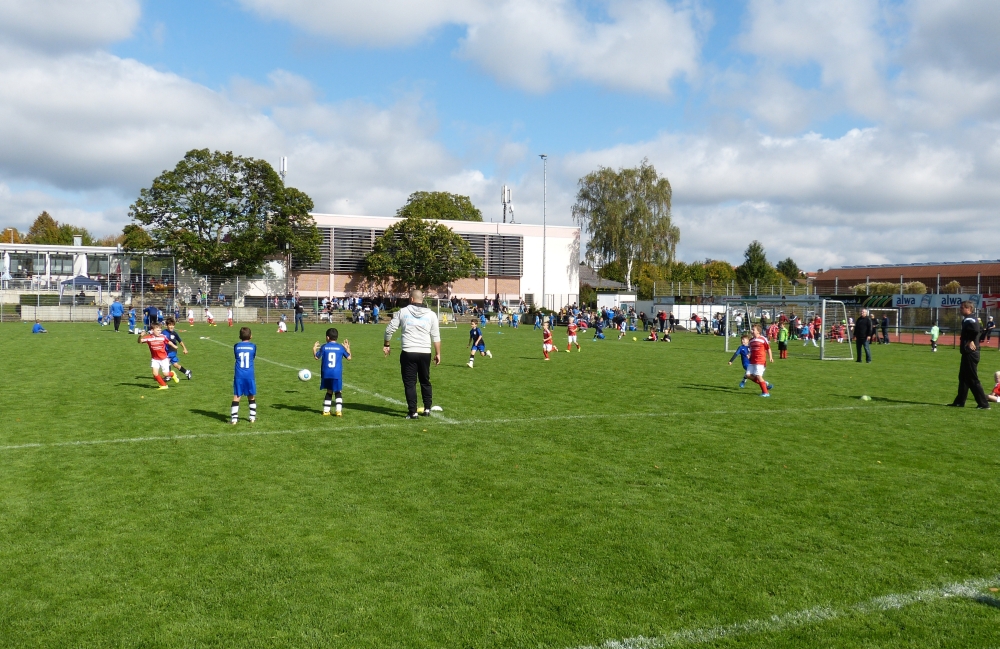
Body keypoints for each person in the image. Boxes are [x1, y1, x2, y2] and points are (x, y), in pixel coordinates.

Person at [383, 289, 441, 419]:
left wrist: (386, 344)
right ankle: (427, 408)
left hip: (409, 352)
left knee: (410, 383)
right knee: (425, 381)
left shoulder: (402, 312)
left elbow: (389, 329)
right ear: (422, 299)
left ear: (411, 299)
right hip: (425, 352)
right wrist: (438, 353)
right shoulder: (431, 314)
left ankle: (413, 412)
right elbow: (436, 336)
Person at [948, 301, 990, 409]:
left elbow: (976, 329)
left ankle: (984, 404)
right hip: (968, 353)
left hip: (971, 353)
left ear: (968, 308)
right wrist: (976, 339)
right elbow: (981, 329)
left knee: (972, 379)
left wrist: (971, 340)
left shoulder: (970, 319)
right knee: (963, 378)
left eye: (962, 308)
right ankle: (959, 402)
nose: (960, 309)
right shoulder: (971, 319)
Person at [313, 328, 351, 416]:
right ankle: (338, 411)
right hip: (336, 374)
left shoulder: (324, 347)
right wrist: (347, 348)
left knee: (329, 391)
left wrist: (314, 349)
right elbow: (349, 358)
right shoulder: (340, 348)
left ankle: (326, 411)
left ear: (327, 337)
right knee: (338, 391)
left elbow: (316, 357)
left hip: (326, 373)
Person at [138, 324, 177, 390]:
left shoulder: (163, 337)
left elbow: (168, 342)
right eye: (158, 330)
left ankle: (172, 374)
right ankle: (164, 385)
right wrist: (140, 336)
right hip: (155, 359)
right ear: (152, 330)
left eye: (160, 330)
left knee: (166, 374)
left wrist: (174, 346)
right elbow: (139, 341)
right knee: (155, 373)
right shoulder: (149, 338)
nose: (159, 331)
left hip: (163, 358)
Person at [232, 327, 257, 424]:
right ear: (251, 336)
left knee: (237, 395)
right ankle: (252, 417)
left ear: (239, 336)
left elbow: (236, 356)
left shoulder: (236, 346)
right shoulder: (253, 346)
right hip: (249, 374)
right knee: (251, 395)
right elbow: (253, 357)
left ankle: (234, 419)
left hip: (239, 374)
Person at [747, 324, 774, 397]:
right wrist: (749, 354)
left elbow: (768, 348)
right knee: (748, 375)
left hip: (760, 360)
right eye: (752, 329)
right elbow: (750, 350)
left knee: (758, 376)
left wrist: (770, 357)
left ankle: (765, 392)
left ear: (758, 331)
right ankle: (764, 383)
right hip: (752, 361)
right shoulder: (751, 340)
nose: (751, 331)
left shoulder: (763, 339)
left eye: (753, 330)